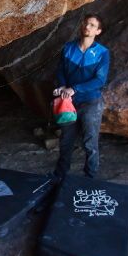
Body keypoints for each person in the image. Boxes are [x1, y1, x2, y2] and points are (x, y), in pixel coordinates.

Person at [52, 14, 110, 181]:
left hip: (91, 102)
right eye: (86, 23)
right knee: (66, 140)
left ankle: (90, 177)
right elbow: (61, 70)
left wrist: (74, 89)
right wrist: (62, 86)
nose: (87, 27)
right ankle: (59, 176)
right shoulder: (68, 48)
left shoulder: (102, 53)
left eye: (92, 25)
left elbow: (100, 80)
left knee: (90, 142)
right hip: (68, 102)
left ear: (98, 31)